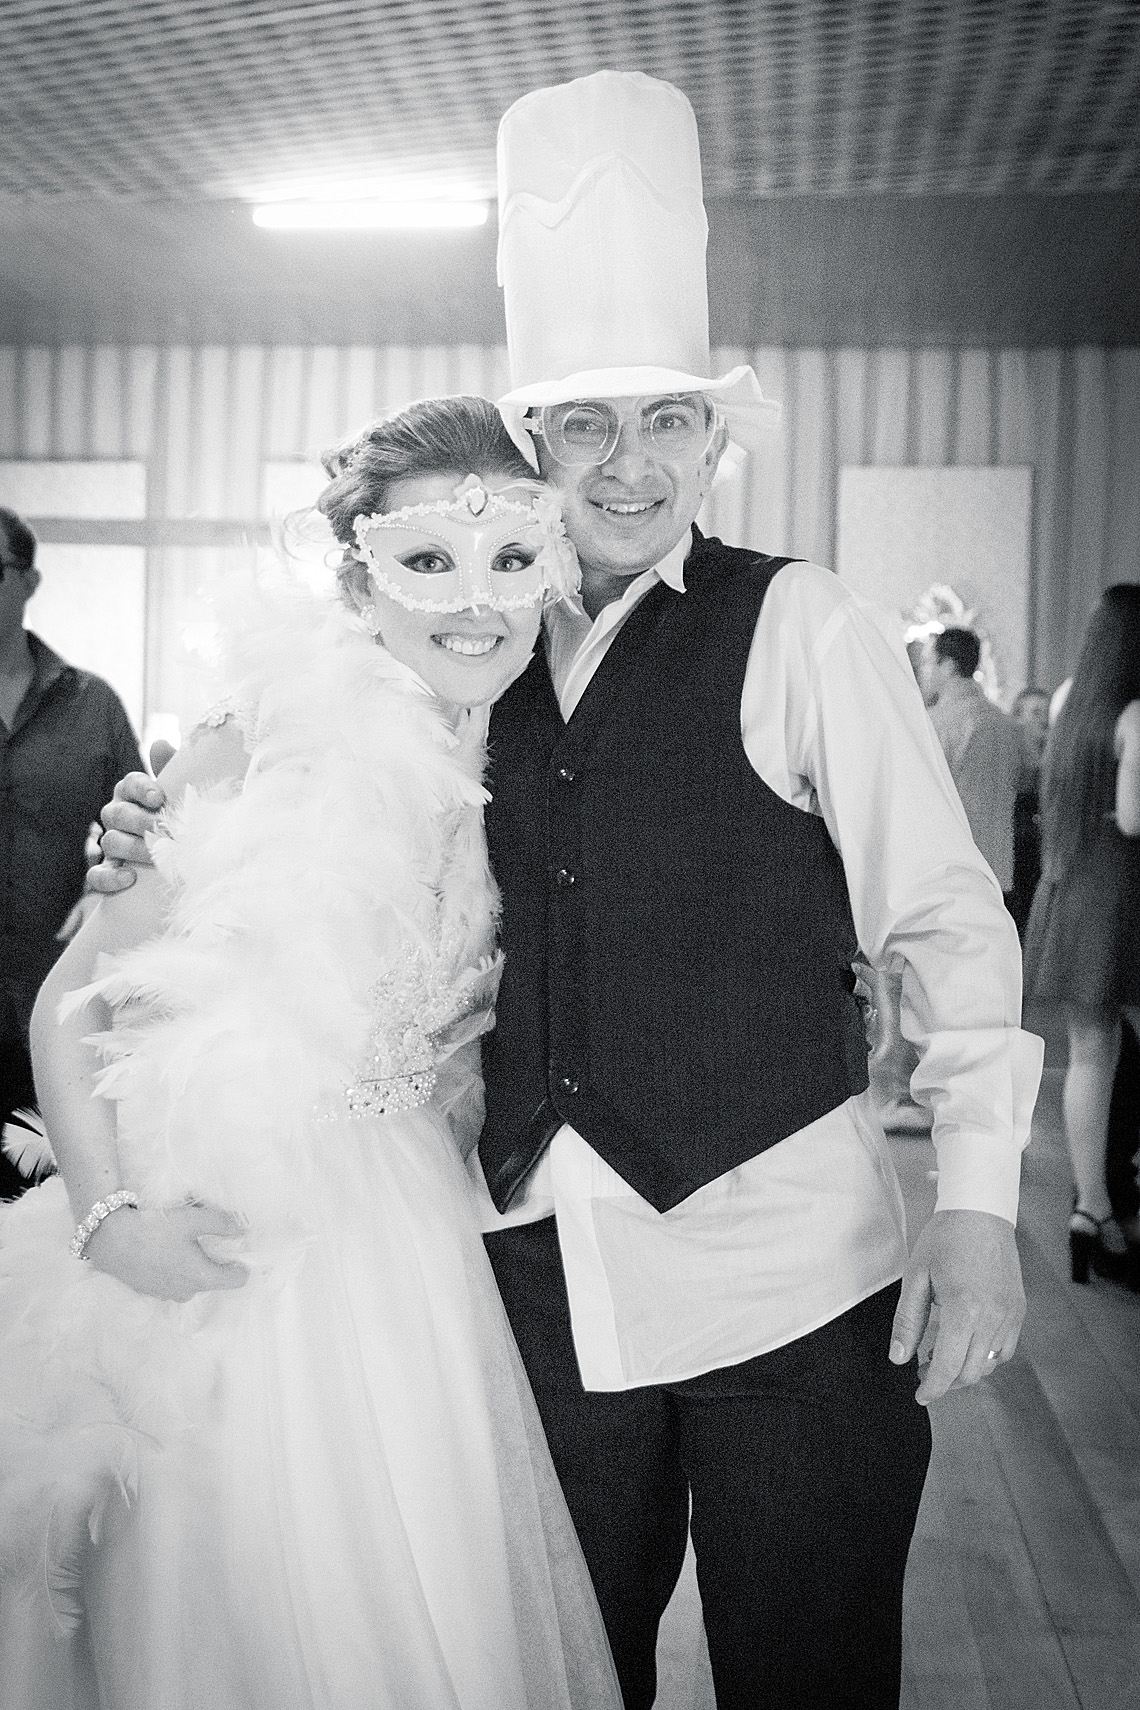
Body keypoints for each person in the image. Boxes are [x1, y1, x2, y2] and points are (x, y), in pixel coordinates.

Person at [99, 73, 1043, 1710]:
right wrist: (165, 828)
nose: (627, 467)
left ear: (711, 434)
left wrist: (975, 1205)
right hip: (526, 1300)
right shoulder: (452, 644)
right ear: (530, 446)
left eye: (666, 419)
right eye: (584, 424)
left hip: (793, 1299)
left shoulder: (801, 623)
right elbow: (300, 828)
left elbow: (945, 924)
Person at [0, 398, 620, 1710]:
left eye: (511, 558)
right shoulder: (268, 736)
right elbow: (72, 999)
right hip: (238, 1237)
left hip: (412, 1227)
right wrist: (112, 1221)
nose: (475, 602)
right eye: (427, 561)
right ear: (356, 575)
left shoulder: (522, 746)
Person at [0, 506, 142, 1198]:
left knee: (47, 1213)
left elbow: (146, 842)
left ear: (28, 580)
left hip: (51, 1009)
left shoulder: (93, 705)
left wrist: (102, 883)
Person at [1023, 583, 1140, 1289]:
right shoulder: (1135, 715)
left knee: (1089, 1056)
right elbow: (1133, 819)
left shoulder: (1069, 702)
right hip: (1122, 896)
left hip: (1067, 887)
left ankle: (1089, 1206)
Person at [924, 626, 1025, 897]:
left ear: (948, 665)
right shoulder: (1008, 726)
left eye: (929, 662)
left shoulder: (932, 725)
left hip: (948, 871)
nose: (925, 672)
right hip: (999, 869)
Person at [1007, 684, 1052, 937]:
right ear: (1018, 716)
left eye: (1046, 712)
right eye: (1036, 712)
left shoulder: (1055, 752)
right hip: (1019, 843)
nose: (1044, 720)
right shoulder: (1010, 753)